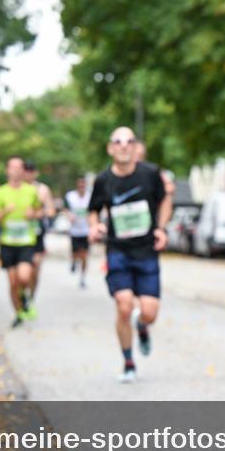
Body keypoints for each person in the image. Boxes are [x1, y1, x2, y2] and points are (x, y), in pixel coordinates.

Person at [87, 127, 172, 381]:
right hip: (118, 250)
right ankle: (128, 362)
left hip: (146, 250)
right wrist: (95, 225)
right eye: (118, 142)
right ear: (110, 148)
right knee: (124, 306)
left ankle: (143, 326)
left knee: (149, 312)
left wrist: (161, 228)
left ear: (135, 147)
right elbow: (93, 209)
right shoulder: (103, 180)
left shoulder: (150, 174)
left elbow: (165, 200)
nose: (124, 146)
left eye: (129, 141)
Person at [0, 156, 42, 327]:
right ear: (7, 170)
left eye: (20, 168)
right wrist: (5, 211)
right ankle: (18, 312)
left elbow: (41, 211)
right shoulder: (0, 193)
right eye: (13, 167)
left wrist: (33, 214)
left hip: (26, 241)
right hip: (8, 242)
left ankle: (25, 298)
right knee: (12, 282)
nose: (17, 171)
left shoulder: (31, 191)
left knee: (24, 277)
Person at [23, 162, 56, 303]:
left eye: (32, 171)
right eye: (26, 171)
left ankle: (31, 296)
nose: (29, 174)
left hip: (37, 234)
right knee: (23, 271)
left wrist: (38, 213)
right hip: (20, 235)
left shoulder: (42, 189)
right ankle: (22, 293)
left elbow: (52, 210)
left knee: (35, 269)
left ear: (36, 173)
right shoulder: (17, 189)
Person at [65, 177, 92, 289]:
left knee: (85, 255)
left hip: (86, 231)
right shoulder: (70, 196)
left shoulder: (90, 196)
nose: (82, 187)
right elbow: (65, 208)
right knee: (76, 253)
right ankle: (74, 261)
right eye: (80, 185)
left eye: (83, 185)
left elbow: (95, 210)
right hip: (74, 231)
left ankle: (82, 278)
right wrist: (69, 216)